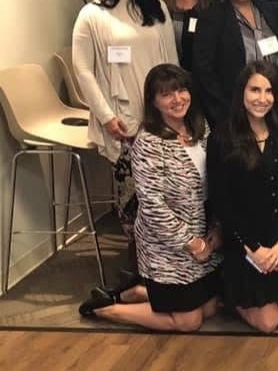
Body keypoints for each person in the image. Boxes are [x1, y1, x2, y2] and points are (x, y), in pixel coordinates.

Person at [79, 64, 220, 331]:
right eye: (167, 94)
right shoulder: (148, 142)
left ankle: (135, 292)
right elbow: (153, 206)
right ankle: (107, 308)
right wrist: (193, 244)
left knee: (211, 307)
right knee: (188, 322)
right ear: (154, 101)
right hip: (166, 245)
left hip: (203, 233)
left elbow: (216, 183)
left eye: (181, 90)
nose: (177, 99)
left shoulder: (201, 129)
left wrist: (215, 230)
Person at [72, 0, 178, 252]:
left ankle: (171, 262)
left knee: (168, 192)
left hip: (160, 112)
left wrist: (175, 106)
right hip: (122, 117)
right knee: (135, 196)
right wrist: (105, 117)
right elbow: (83, 70)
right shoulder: (91, 15)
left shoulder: (155, 7)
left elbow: (171, 59)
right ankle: (141, 262)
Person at [207, 61, 278, 333]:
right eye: (254, 90)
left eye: (269, 91)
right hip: (247, 242)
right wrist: (253, 247)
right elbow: (222, 201)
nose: (262, 99)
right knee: (268, 323)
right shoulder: (222, 138)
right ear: (241, 92)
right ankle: (229, 295)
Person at [194, 0, 278, 127]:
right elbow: (203, 71)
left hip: (273, 104)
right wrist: (224, 111)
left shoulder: (270, 11)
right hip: (233, 110)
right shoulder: (212, 17)